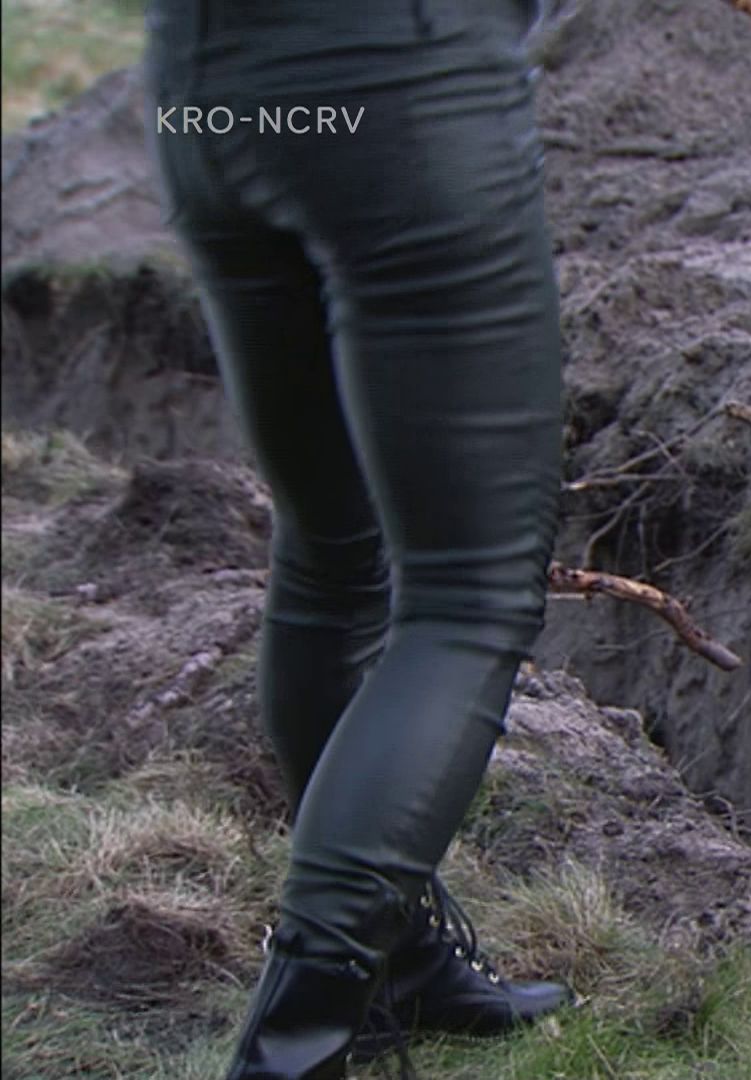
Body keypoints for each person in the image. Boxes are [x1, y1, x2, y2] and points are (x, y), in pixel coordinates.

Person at [143, 1, 572, 1075]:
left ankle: (397, 966)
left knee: (330, 548)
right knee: (469, 595)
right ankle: (292, 1054)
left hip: (207, 91)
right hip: (396, 86)